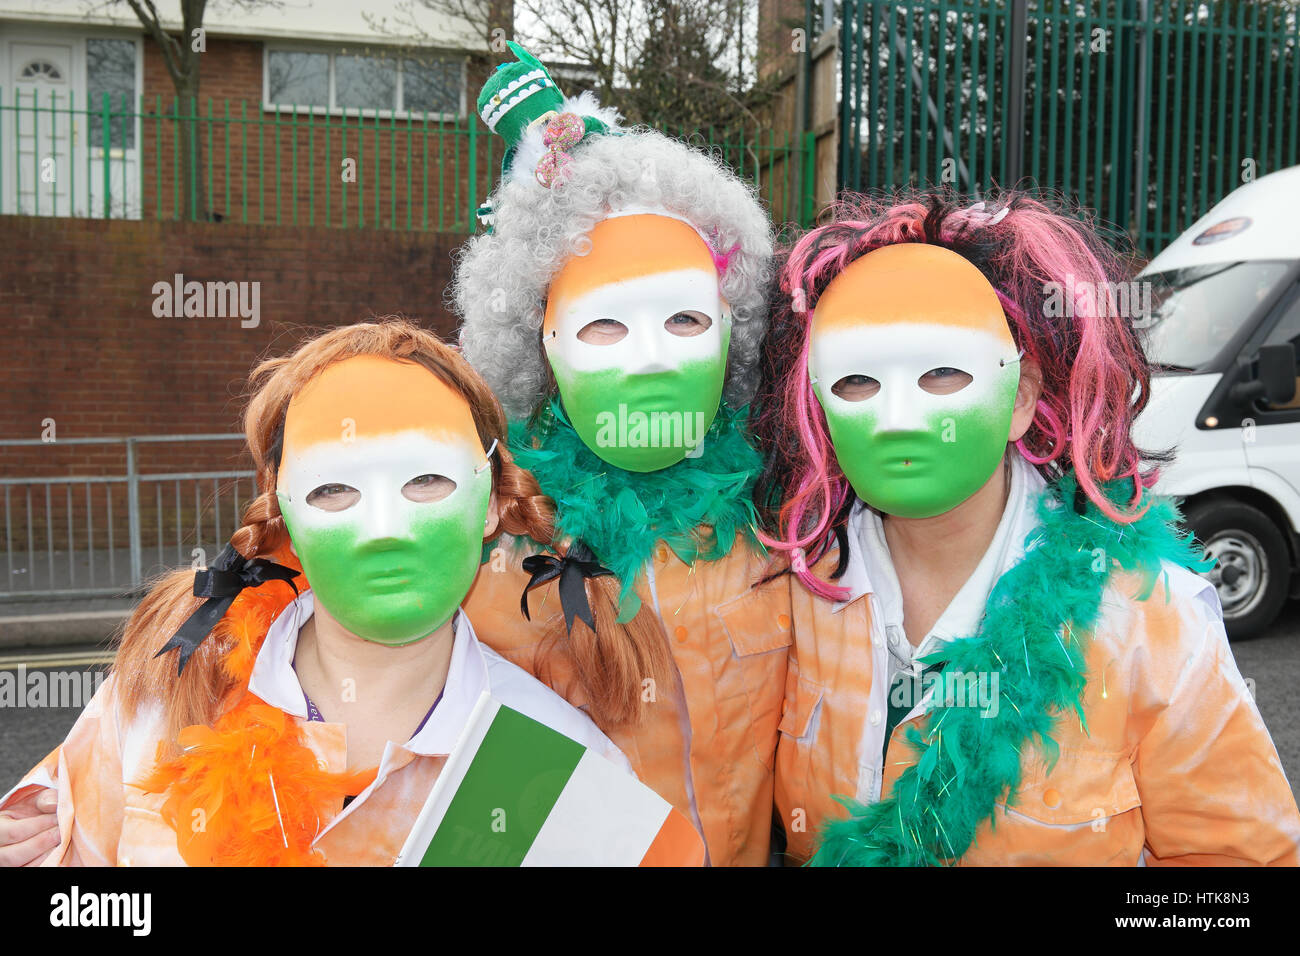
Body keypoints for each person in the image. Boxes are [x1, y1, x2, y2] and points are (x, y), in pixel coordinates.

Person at [0, 318, 697, 866]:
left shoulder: (563, 769)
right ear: (290, 527)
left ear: (491, 504)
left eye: (427, 481)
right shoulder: (156, 702)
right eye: (335, 489)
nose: (385, 528)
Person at [752, 192, 1300, 865]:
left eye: (943, 374)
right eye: (857, 381)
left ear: (1020, 398)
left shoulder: (1146, 617)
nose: (896, 416)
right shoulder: (787, 594)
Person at [454, 43, 787, 865]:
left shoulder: (787, 518)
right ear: (542, 344)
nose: (649, 359)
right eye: (606, 325)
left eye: (683, 321)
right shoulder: (479, 528)